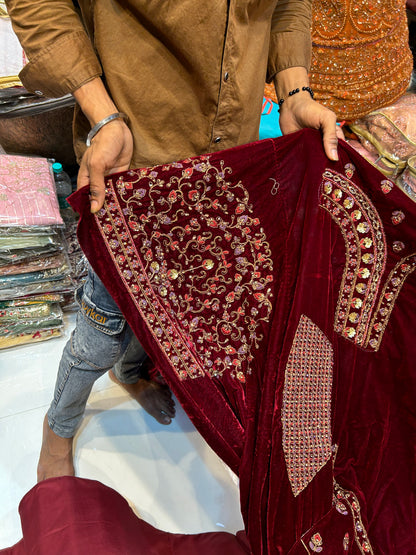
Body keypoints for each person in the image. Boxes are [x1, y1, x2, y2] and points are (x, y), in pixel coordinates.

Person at [6, 0, 341, 482]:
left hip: (229, 161)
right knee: (103, 331)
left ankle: (131, 372)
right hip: (133, 162)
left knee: (183, 304)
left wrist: (295, 90)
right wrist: (102, 116)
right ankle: (57, 427)